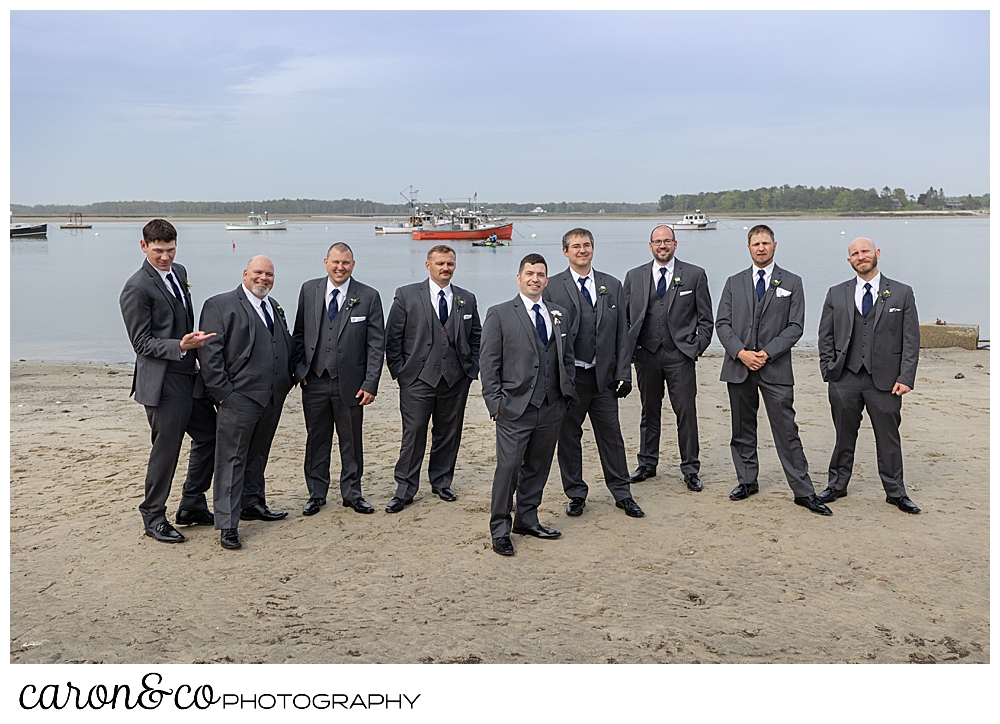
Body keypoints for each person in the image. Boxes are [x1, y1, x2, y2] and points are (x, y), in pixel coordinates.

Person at [715, 225, 832, 516]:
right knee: (742, 429)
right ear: (749, 247)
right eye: (755, 243)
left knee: (787, 429)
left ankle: (803, 491)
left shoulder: (792, 281)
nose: (761, 248)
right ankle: (747, 481)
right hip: (739, 366)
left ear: (775, 245)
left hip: (775, 368)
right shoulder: (733, 282)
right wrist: (741, 353)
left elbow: (795, 327)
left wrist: (766, 353)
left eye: (765, 243)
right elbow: (722, 324)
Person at [120, 218, 217, 544]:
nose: (165, 257)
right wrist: (180, 345)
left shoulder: (180, 273)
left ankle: (191, 503)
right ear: (144, 246)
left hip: (190, 375)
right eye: (159, 251)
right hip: (162, 382)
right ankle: (153, 514)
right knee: (167, 450)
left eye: (170, 250)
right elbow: (142, 343)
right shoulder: (136, 288)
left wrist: (194, 347)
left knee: (211, 435)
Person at [481, 253, 578, 556]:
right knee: (508, 469)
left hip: (551, 406)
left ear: (547, 279)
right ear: (519, 278)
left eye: (540, 274)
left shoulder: (558, 313)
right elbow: (488, 363)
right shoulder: (499, 314)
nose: (535, 279)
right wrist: (496, 403)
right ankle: (500, 528)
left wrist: (565, 394)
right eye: (529, 273)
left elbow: (567, 357)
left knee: (538, 466)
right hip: (514, 407)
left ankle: (527, 518)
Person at [543, 228, 644, 519]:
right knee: (569, 438)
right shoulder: (552, 288)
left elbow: (621, 333)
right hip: (571, 379)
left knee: (611, 436)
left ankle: (622, 493)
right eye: (576, 246)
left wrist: (625, 372)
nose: (582, 250)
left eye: (586, 245)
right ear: (566, 252)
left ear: (593, 249)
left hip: (603, 379)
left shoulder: (611, 285)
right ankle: (575, 493)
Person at [816, 237, 921, 513]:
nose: (861, 256)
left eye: (865, 251)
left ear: (877, 253)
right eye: (855, 253)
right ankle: (837, 485)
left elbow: (911, 339)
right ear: (849, 260)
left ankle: (896, 492)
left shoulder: (901, 293)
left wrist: (906, 377)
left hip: (886, 380)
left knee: (888, 437)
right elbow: (825, 336)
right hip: (844, 378)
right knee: (843, 435)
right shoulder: (836, 293)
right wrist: (829, 370)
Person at [198, 255, 294, 549]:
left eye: (269, 274)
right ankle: (228, 523)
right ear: (245, 273)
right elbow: (209, 355)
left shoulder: (273, 306)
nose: (263, 278)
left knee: (258, 455)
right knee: (232, 459)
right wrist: (224, 394)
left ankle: (253, 503)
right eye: (258, 272)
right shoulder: (220, 305)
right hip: (238, 399)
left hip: (272, 396)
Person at [384, 245, 481, 513]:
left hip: (455, 380)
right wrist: (402, 373)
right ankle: (404, 490)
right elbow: (392, 338)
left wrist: (470, 370)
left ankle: (441, 482)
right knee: (413, 435)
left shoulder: (467, 298)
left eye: (449, 263)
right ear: (428, 265)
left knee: (448, 434)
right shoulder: (406, 295)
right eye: (439, 263)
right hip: (417, 380)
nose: (445, 268)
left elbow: (476, 337)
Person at [291, 242, 385, 516]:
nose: (340, 267)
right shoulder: (309, 290)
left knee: (351, 441)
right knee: (316, 439)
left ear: (353, 265)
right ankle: (316, 494)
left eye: (345, 263)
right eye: (335, 262)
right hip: (315, 381)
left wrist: (370, 383)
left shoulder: (368, 296)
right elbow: (299, 334)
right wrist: (300, 372)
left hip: (352, 384)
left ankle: (352, 494)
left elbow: (376, 345)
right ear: (325, 262)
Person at [623, 224, 714, 491]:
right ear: (650, 246)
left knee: (686, 411)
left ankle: (690, 469)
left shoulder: (695, 275)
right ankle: (647, 464)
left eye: (667, 241)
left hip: (680, 355)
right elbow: (626, 319)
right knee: (649, 411)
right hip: (646, 355)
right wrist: (631, 348)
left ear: (675, 244)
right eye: (657, 242)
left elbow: (706, 318)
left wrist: (697, 347)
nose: (662, 246)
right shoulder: (634, 276)